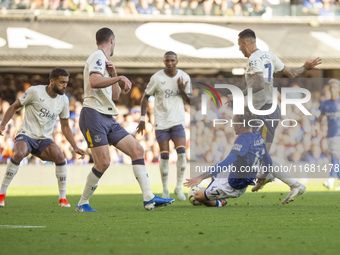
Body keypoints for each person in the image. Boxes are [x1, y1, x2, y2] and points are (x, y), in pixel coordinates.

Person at [76, 27, 174, 212]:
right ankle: (82, 203)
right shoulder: (97, 56)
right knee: (103, 162)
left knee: (137, 149)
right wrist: (120, 77)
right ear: (112, 40)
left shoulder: (106, 61)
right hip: (93, 115)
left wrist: (114, 75)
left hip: (107, 116)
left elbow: (115, 96)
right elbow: (94, 82)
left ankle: (148, 198)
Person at [232, 29, 321, 204]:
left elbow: (258, 84)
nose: (239, 50)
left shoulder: (253, 60)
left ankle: (293, 184)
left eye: (239, 46)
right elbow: (293, 73)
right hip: (266, 111)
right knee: (258, 152)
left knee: (259, 153)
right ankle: (268, 175)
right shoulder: (269, 55)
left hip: (265, 111)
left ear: (245, 43)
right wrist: (305, 67)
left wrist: (238, 94)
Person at [0, 67, 86, 208]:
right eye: (61, 82)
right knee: (20, 153)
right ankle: (2, 193)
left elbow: (65, 126)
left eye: (66, 82)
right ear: (52, 81)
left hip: (44, 140)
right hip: (26, 135)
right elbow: (14, 107)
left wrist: (75, 146)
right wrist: (3, 124)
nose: (65, 85)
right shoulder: (35, 91)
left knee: (60, 156)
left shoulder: (64, 100)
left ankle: (62, 198)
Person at [184, 109, 275, 207]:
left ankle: (220, 202)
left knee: (195, 195)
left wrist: (200, 177)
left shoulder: (242, 140)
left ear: (240, 125)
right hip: (236, 175)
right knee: (212, 168)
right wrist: (264, 175)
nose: (233, 125)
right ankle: (213, 192)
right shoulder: (258, 137)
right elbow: (268, 161)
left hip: (233, 186)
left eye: (234, 123)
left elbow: (226, 163)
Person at [137, 51, 191, 201]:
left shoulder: (184, 77)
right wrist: (142, 118)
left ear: (177, 61)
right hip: (161, 122)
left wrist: (181, 90)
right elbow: (145, 97)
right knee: (165, 155)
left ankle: (178, 187)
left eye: (172, 60)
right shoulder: (157, 78)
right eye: (167, 61)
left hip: (178, 121)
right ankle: (165, 188)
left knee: (181, 152)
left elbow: (190, 100)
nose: (169, 63)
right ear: (164, 61)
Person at [318, 79, 340, 190]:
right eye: (331, 87)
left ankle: (331, 180)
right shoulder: (325, 104)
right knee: (335, 159)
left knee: (335, 157)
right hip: (330, 134)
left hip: (338, 134)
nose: (332, 90)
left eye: (335, 87)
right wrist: (317, 126)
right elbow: (320, 118)